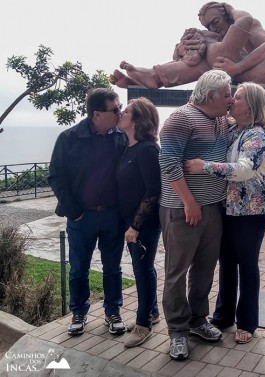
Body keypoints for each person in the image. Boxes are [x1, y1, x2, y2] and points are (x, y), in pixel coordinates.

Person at [184, 82, 265, 344]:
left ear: (251, 105)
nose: (231, 100)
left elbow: (244, 169)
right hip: (229, 207)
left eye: (237, 97)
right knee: (226, 262)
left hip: (252, 210)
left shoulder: (257, 135)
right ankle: (223, 316)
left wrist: (205, 167)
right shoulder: (234, 128)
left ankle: (247, 321)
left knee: (246, 264)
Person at [158, 70, 234, 360]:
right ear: (211, 95)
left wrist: (264, 119)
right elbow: (168, 162)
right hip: (182, 210)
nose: (230, 99)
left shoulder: (220, 121)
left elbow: (242, 120)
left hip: (213, 207)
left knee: (205, 268)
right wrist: (189, 202)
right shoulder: (181, 118)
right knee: (176, 273)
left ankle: (198, 320)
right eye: (227, 94)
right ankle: (177, 330)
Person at [48, 88, 128, 336]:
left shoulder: (121, 137)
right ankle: (79, 313)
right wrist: (75, 211)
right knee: (79, 268)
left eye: (120, 107)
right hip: (82, 217)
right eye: (115, 110)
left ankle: (113, 311)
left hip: (112, 216)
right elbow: (56, 176)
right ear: (96, 113)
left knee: (113, 267)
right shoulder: (69, 138)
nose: (120, 113)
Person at [111, 25, 265, 90]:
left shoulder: (239, 29)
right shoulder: (212, 47)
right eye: (208, 24)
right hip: (249, 76)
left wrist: (237, 67)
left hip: (253, 71)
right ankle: (152, 78)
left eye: (214, 20)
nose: (212, 25)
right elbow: (189, 61)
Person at [115, 97, 161, 348]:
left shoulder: (147, 150)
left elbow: (154, 190)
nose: (121, 113)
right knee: (143, 269)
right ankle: (151, 312)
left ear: (138, 119)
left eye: (127, 111)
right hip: (130, 220)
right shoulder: (128, 146)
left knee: (143, 271)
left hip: (144, 223)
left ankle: (144, 325)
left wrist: (135, 226)